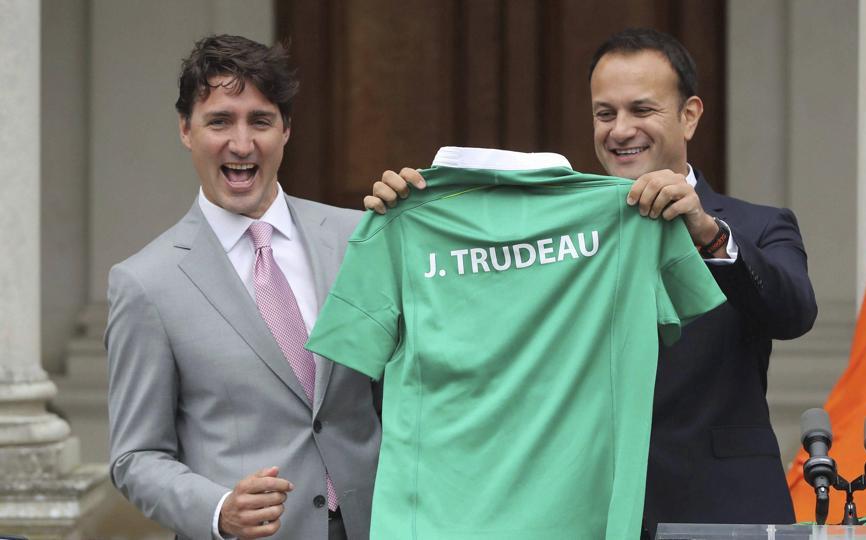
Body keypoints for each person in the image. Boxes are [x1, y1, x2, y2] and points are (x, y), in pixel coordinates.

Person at [365, 27, 817, 531]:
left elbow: (793, 312)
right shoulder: (550, 235)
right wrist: (411, 219)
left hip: (717, 508)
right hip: (578, 511)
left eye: (642, 110)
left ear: (689, 116)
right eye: (605, 113)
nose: (620, 130)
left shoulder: (756, 224)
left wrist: (707, 233)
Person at [106, 35, 380, 540]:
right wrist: (218, 511)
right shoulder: (144, 283)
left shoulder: (358, 239)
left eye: (260, 120)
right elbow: (135, 456)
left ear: (286, 130)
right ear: (186, 130)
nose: (241, 143)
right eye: (219, 121)